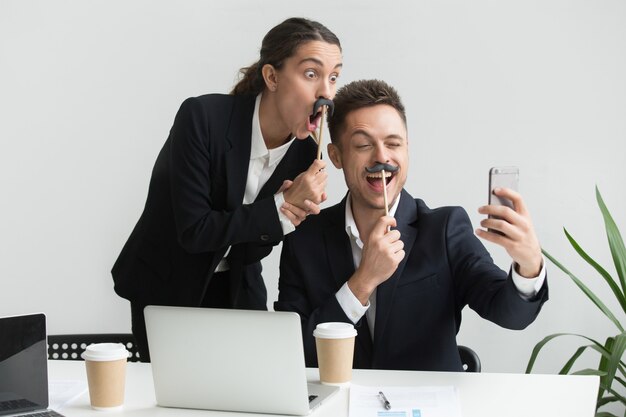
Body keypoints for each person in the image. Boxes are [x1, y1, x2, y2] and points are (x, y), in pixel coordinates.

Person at [275, 79, 548, 371]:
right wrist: (362, 283)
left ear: (407, 150)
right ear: (336, 156)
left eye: (394, 144)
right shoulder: (303, 238)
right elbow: (293, 353)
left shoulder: (444, 229)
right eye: (364, 145)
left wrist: (528, 265)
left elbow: (511, 315)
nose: (382, 157)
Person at [112, 18, 343, 361]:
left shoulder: (306, 154)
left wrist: (288, 218)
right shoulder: (203, 117)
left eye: (334, 76)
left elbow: (251, 248)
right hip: (167, 284)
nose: (326, 91)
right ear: (272, 77)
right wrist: (281, 207)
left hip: (237, 285)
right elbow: (194, 231)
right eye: (311, 74)